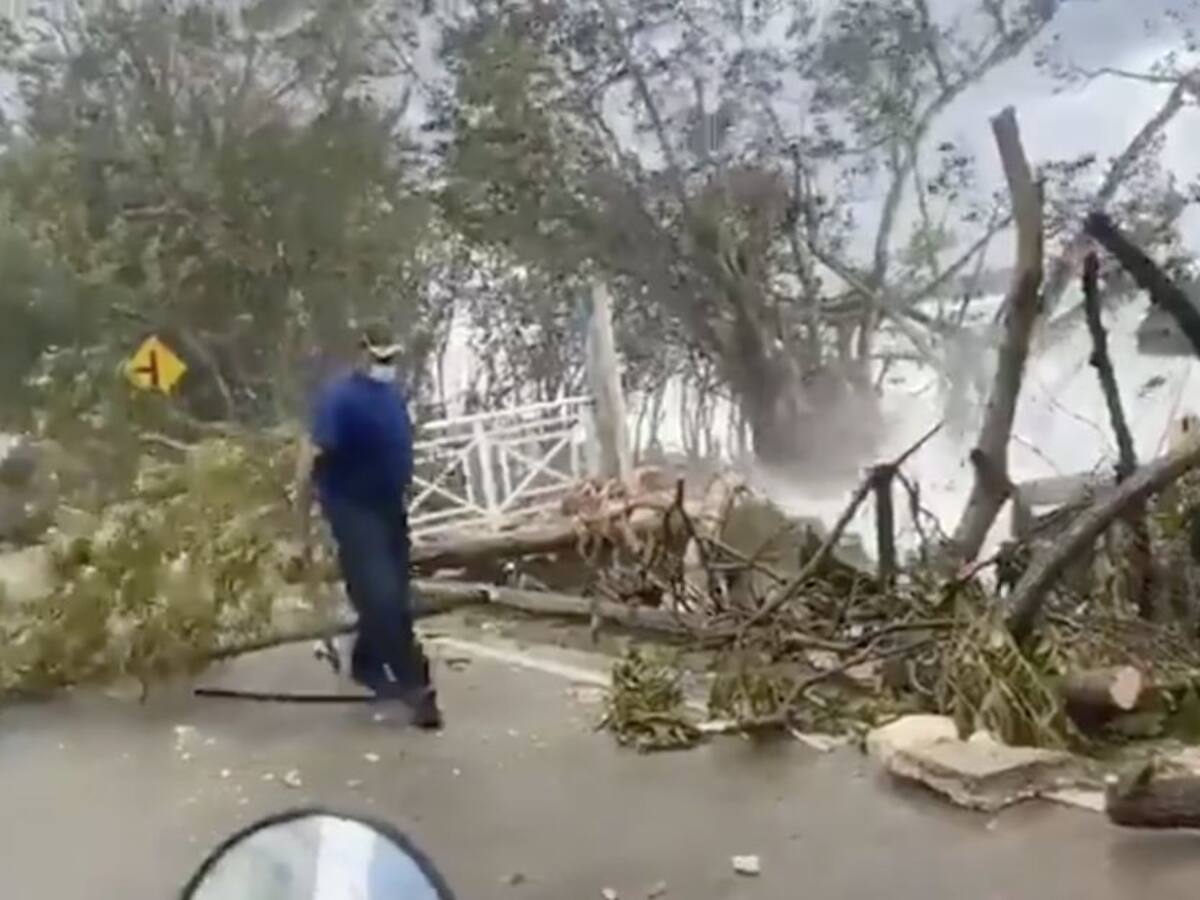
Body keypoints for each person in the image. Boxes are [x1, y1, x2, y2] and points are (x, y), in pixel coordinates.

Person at [295, 324, 441, 729]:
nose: (386, 366)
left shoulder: (391, 397)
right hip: (352, 511)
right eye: (379, 359)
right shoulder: (339, 400)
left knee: (395, 594)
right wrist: (300, 532)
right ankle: (417, 688)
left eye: (391, 359)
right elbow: (308, 461)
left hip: (389, 509)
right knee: (380, 598)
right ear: (361, 355)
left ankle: (366, 662)